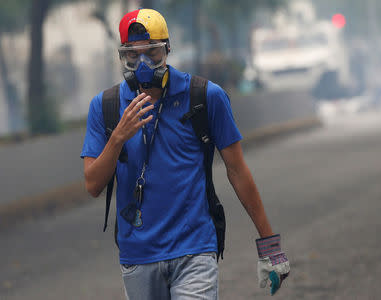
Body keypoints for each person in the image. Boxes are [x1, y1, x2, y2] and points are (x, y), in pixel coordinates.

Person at [81, 8, 289, 299]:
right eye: (132, 53)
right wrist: (117, 138)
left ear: (167, 49)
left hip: (195, 249)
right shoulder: (106, 106)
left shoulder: (205, 97)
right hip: (137, 254)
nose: (141, 62)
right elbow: (92, 185)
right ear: (123, 55)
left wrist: (270, 247)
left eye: (151, 52)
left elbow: (238, 171)